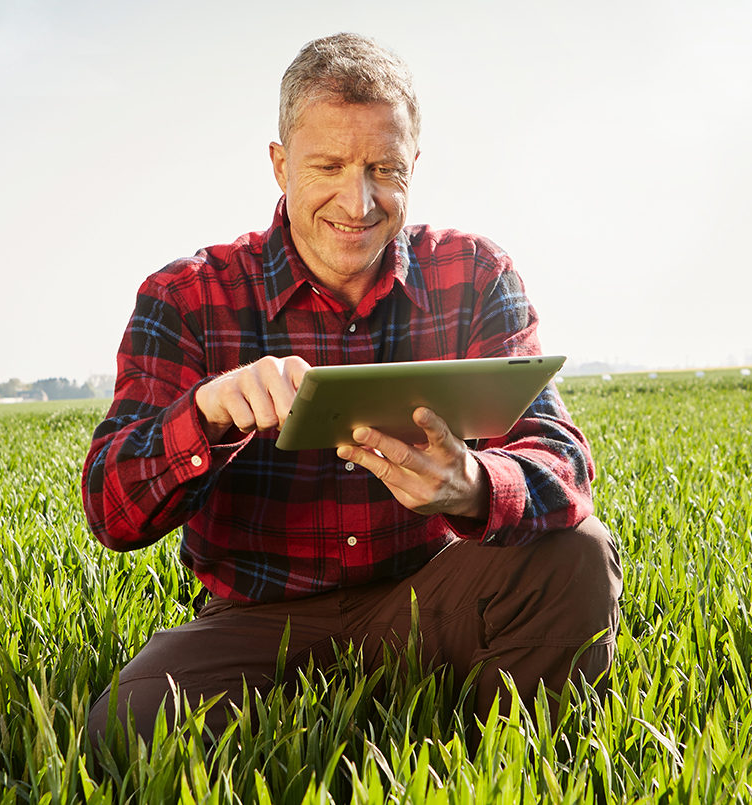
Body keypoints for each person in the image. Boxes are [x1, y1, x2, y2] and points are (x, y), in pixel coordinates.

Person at [81, 32, 621, 745]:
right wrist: (206, 414)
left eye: (383, 168)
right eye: (328, 165)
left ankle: (501, 762)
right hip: (254, 620)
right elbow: (111, 510)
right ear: (280, 165)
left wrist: (472, 484)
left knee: (577, 550)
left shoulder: (473, 272)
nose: (358, 200)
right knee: (129, 730)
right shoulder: (186, 296)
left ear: (414, 166)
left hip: (431, 598)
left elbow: (562, 463)